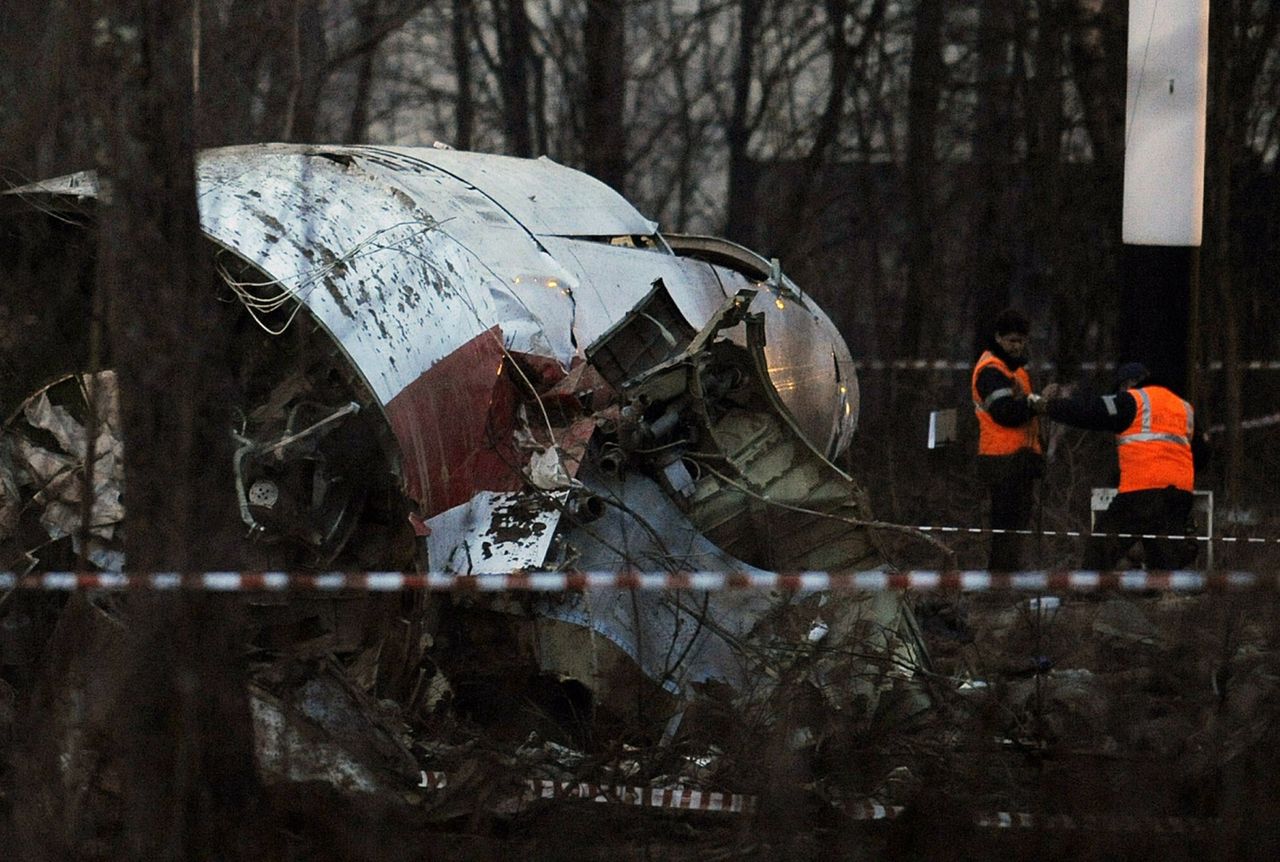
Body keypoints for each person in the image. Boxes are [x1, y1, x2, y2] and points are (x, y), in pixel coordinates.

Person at [1034, 362, 1199, 570]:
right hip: (1180, 494)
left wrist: (1049, 407)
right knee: (1164, 558)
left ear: (1128, 385)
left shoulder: (1132, 400)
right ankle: (1167, 597)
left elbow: (1090, 411)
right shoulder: (1183, 407)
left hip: (1142, 491)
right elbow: (1201, 451)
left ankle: (1088, 595)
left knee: (1101, 548)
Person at [971, 308, 1044, 571]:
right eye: (1012, 340)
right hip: (1002, 459)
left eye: (1021, 341)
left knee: (1015, 525)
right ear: (999, 338)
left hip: (1017, 458)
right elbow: (1005, 413)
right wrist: (1036, 403)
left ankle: (1006, 576)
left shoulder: (1014, 371)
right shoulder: (991, 371)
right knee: (1006, 525)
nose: (1017, 346)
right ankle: (1000, 580)